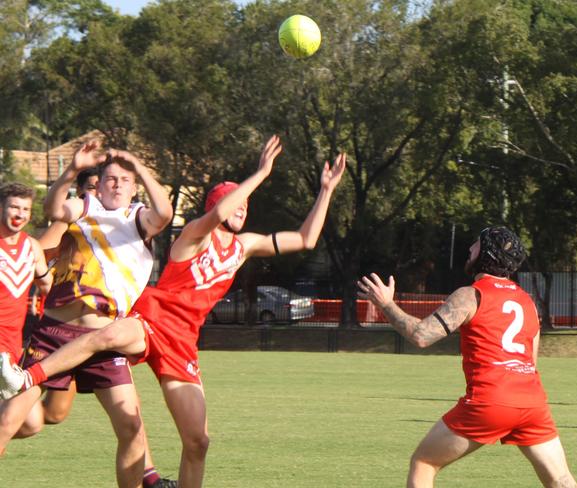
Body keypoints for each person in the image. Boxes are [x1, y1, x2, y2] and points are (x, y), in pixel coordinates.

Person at [0, 135, 346, 488]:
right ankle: (27, 377)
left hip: (183, 338)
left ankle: (152, 475)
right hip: (153, 317)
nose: (242, 208)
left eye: (245, 206)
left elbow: (306, 239)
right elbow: (219, 213)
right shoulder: (196, 234)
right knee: (107, 335)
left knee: (197, 441)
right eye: (237, 202)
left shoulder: (244, 247)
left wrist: (326, 190)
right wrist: (260, 174)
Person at [0, 141, 173, 488]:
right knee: (9, 422)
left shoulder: (138, 217)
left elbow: (166, 214)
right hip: (53, 333)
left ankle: (146, 478)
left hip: (102, 342)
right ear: (99, 183)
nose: (117, 184)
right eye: (110, 178)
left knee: (131, 428)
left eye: (125, 179)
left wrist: (139, 166)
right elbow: (54, 208)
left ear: (134, 185)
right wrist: (71, 171)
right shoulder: (85, 206)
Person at [357, 226, 577, 488]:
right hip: (532, 402)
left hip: (490, 400)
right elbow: (530, 361)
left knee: (424, 462)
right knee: (561, 479)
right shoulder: (527, 302)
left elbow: (421, 335)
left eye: (475, 244)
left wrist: (386, 304)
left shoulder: (471, 294)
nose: (469, 249)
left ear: (486, 253)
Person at [33, 167, 99, 425]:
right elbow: (36, 252)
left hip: (92, 329)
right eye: (92, 187)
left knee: (55, 413)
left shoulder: (113, 224)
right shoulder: (72, 220)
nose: (98, 192)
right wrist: (45, 281)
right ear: (81, 192)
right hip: (59, 325)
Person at [0, 182, 52, 430]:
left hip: (15, 350)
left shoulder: (32, 247)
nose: (19, 214)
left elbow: (48, 287)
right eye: (13, 207)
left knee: (31, 423)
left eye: (25, 209)